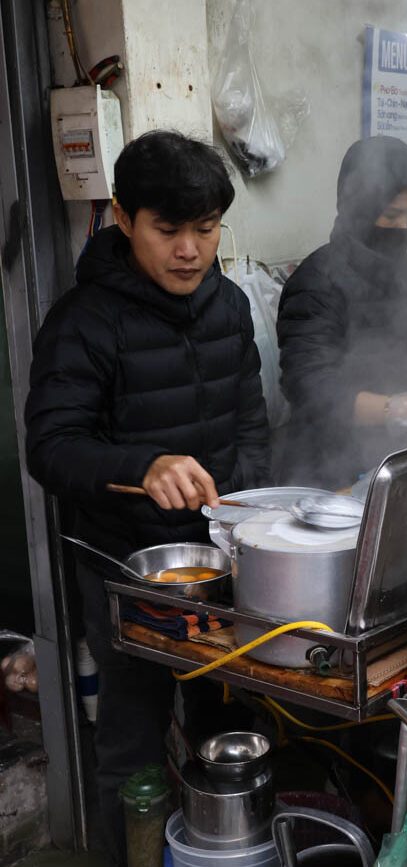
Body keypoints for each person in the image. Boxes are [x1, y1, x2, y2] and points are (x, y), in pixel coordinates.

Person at [25, 130, 269, 864]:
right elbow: (52, 447)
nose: (190, 250)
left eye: (205, 228)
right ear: (125, 219)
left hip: (221, 565)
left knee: (228, 725)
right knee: (131, 746)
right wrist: (146, 464)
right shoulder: (84, 322)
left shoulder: (228, 305)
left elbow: (251, 420)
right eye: (168, 230)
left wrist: (251, 508)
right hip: (125, 569)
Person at [276, 135, 407, 489]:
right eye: (391, 215)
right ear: (360, 209)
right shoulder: (316, 281)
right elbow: (314, 391)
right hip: (329, 475)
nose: (404, 226)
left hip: (401, 462)